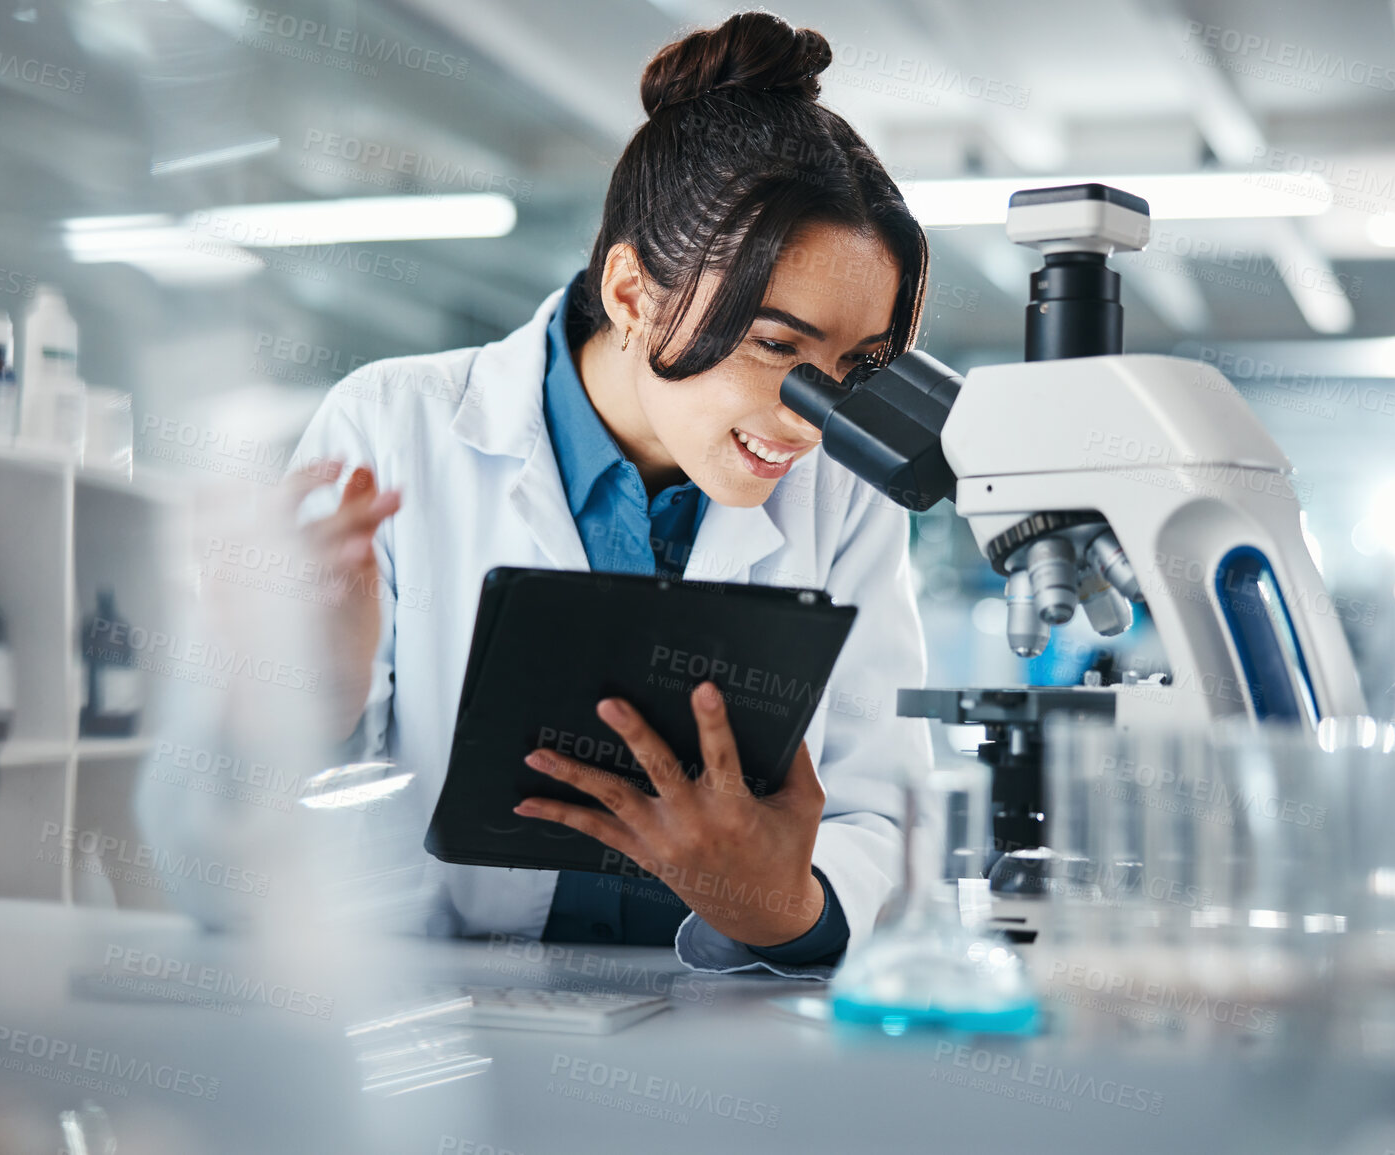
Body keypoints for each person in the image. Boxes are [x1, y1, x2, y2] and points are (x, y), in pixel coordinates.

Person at [263, 12, 930, 977]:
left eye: (853, 366)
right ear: (631, 292)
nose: (812, 418)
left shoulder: (842, 493)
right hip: (451, 1006)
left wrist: (785, 910)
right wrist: (309, 694)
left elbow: (883, 814)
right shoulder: (389, 427)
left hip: (727, 1018)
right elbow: (283, 818)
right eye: (778, 347)